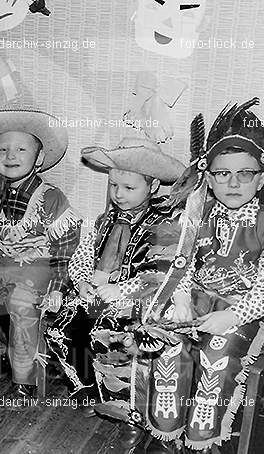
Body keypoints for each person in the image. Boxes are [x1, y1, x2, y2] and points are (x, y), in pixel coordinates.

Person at [141, 99, 264, 453]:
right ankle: (166, 434)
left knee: (218, 352)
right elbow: (178, 261)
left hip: (244, 305)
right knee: (168, 339)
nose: (233, 182)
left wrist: (232, 316)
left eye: (245, 174)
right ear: (208, 179)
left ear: (261, 179)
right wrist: (179, 298)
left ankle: (201, 439)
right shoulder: (197, 213)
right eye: (223, 173)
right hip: (196, 294)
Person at [46, 137, 184, 443]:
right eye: (113, 186)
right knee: (60, 328)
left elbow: (161, 273)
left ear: (153, 187)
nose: (118, 194)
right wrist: (81, 281)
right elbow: (84, 254)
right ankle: (89, 391)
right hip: (95, 294)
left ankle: (130, 414)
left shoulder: (165, 224)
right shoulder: (105, 219)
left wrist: (121, 290)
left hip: (137, 303)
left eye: (129, 188)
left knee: (114, 341)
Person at [0, 109, 81, 404]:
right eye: (3, 149)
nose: (11, 155)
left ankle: (25, 378)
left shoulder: (52, 196)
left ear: (38, 158)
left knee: (21, 303)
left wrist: (58, 287)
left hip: (37, 265)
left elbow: (64, 248)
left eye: (21, 149)